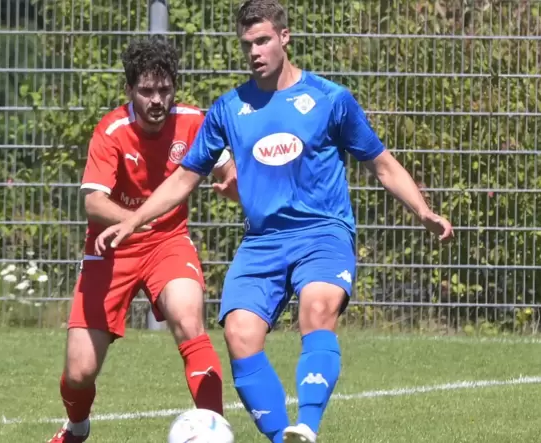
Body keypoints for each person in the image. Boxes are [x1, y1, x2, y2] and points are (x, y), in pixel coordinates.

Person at [96, 1, 455, 442]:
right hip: (263, 240)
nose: (255, 51)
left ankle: (307, 423)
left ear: (284, 38)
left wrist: (422, 210)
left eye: (263, 40)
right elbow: (184, 179)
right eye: (247, 44)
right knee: (238, 332)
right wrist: (134, 219)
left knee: (316, 308)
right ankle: (282, 437)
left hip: (323, 233)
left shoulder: (330, 99)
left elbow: (381, 164)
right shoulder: (228, 110)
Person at [47, 35, 238, 443]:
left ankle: (214, 430)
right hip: (110, 247)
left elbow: (229, 173)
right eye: (146, 91)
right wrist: (132, 221)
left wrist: (240, 186)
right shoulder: (112, 130)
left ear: (175, 88)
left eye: (164, 90)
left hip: (168, 241)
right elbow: (94, 203)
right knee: (79, 372)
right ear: (129, 90)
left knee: (189, 320)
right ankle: (77, 427)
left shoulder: (194, 121)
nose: (156, 100)